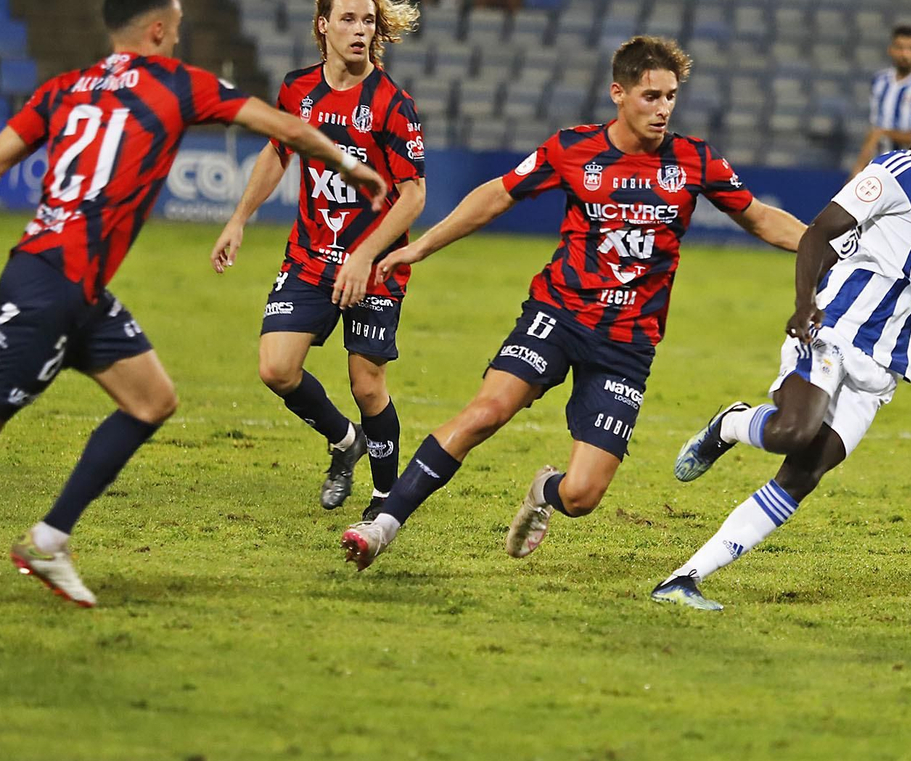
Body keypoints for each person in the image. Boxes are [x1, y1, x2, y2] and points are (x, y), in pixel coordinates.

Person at [0, 0, 385, 607]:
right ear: (158, 30)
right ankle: (47, 540)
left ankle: (49, 540)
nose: (181, 35)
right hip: (51, 287)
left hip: (75, 287)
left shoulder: (63, 88)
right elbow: (287, 129)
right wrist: (353, 166)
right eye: (179, 25)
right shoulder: (178, 84)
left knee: (152, 399)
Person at [336, 36, 807, 570]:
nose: (664, 108)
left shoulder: (694, 160)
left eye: (671, 96)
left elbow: (760, 217)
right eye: (651, 96)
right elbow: (497, 195)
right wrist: (421, 245)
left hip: (626, 344)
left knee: (582, 496)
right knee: (486, 412)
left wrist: (826, 245)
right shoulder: (572, 149)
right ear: (619, 93)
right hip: (557, 315)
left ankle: (543, 491)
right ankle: (381, 526)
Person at [653, 88, 911, 611]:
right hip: (833, 335)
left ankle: (684, 578)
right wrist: (805, 303)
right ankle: (731, 423)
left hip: (878, 369)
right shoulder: (893, 172)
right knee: (791, 432)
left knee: (803, 475)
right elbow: (817, 236)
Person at [210, 0, 425, 518]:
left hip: (372, 267)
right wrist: (238, 219)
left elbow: (413, 195)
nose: (360, 30)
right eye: (348, 19)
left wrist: (365, 255)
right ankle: (344, 441)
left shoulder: (392, 104)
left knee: (367, 382)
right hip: (309, 257)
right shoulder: (296, 89)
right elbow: (277, 153)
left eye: (369, 21)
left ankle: (383, 501)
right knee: (276, 369)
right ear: (323, 25)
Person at [852, 25, 911, 174]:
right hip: (880, 167)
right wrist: (859, 168)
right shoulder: (879, 81)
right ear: (890, 49)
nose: (905, 54)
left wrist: (884, 134)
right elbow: (874, 130)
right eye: (899, 47)